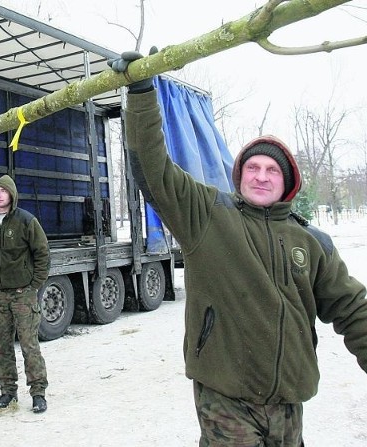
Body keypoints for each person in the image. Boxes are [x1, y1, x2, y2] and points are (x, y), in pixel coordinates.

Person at [110, 50, 367, 446]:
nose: (261, 177)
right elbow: (153, 166)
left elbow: (353, 309)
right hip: (225, 398)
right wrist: (143, 92)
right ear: (239, 174)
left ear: (287, 182)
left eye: (271, 170)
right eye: (252, 167)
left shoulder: (313, 242)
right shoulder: (208, 215)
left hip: (288, 401)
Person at [0, 174, 50, 413]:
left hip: (23, 295)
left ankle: (38, 393)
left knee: (29, 344)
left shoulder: (26, 221)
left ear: (12, 195)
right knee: (2, 346)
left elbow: (42, 253)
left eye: (3, 191)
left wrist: (33, 285)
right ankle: (8, 392)